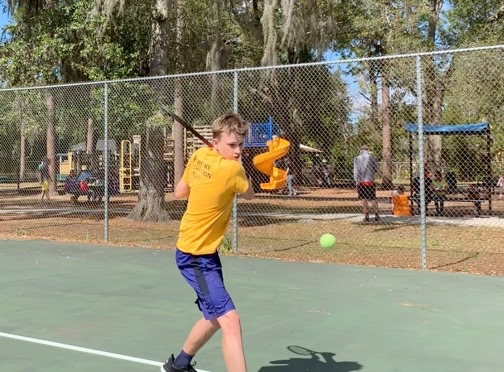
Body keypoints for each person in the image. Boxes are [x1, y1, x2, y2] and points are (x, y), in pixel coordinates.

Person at [162, 113, 254, 372]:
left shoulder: (199, 155)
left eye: (240, 145)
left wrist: (208, 163)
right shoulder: (233, 169)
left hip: (202, 252)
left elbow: (180, 192)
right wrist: (234, 167)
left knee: (214, 316)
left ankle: (178, 366)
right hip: (196, 257)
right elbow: (248, 194)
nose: (238, 151)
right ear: (215, 142)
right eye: (232, 145)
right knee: (231, 322)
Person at [353, 145, 379, 222]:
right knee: (373, 198)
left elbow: (356, 171)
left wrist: (356, 180)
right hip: (370, 180)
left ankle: (366, 215)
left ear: (360, 150)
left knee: (364, 199)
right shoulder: (372, 157)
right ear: (367, 149)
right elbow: (375, 169)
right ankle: (376, 214)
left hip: (361, 181)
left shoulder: (357, 158)